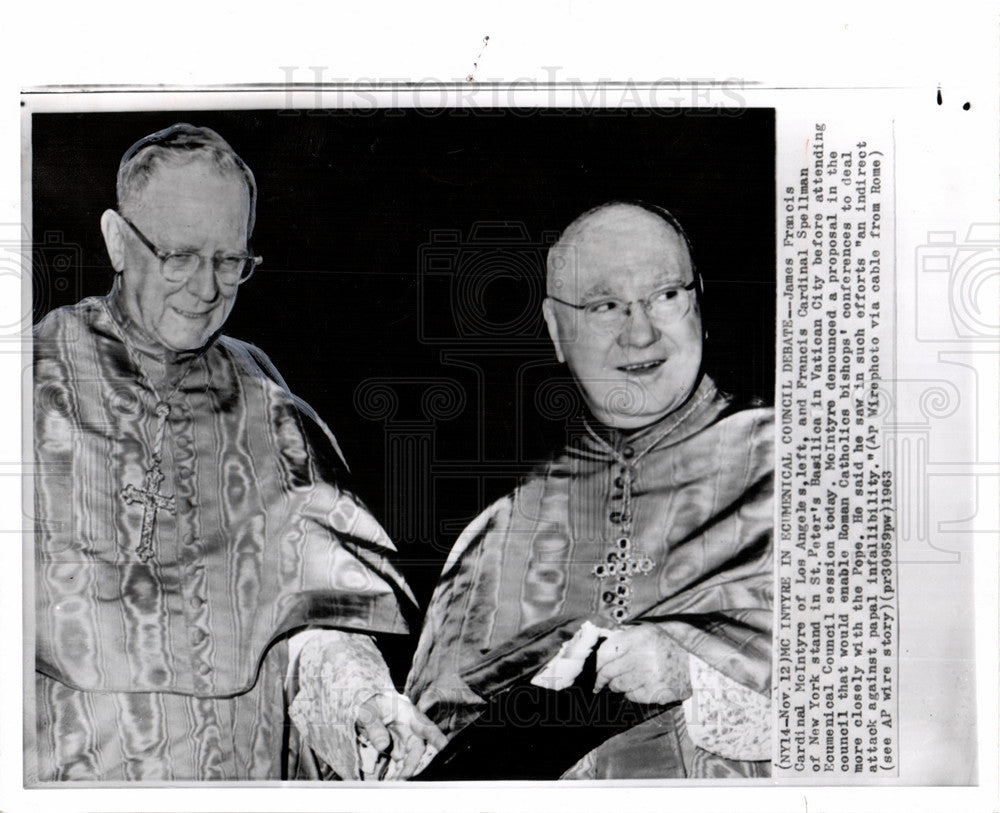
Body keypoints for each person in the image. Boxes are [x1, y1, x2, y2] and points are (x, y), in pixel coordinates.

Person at [31, 123, 445, 782]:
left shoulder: (265, 401)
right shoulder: (28, 385)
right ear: (116, 239)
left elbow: (310, 619)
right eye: (180, 255)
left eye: (230, 261)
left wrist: (361, 698)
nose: (206, 288)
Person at [406, 201, 773, 779]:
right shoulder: (499, 536)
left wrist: (696, 675)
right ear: (557, 330)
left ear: (698, 302)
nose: (642, 332)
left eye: (666, 296)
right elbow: (429, 757)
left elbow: (898, 700)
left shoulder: (807, 469)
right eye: (606, 306)